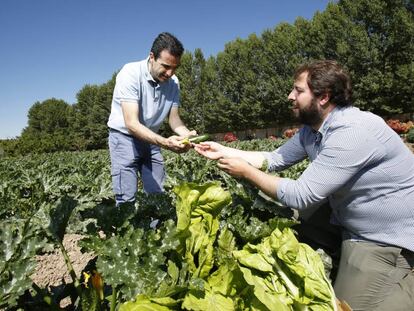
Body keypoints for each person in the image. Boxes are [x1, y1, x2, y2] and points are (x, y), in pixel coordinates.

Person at [194, 60, 414, 310]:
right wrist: (220, 149)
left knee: (343, 305)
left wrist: (246, 172)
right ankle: (340, 255)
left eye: (298, 90)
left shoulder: (353, 131)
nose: (290, 96)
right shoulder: (312, 130)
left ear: (323, 97)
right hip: (348, 217)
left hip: (384, 236)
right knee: (299, 220)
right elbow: (275, 159)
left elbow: (302, 195)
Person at [107, 32, 196, 206]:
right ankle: (126, 231)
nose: (170, 73)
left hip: (152, 140)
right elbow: (131, 123)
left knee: (158, 197)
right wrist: (165, 142)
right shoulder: (130, 73)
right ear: (152, 57)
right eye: (166, 66)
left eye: (175, 67)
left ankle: (155, 232)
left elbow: (174, 120)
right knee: (126, 198)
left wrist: (188, 135)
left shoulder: (174, 83)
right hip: (124, 139)